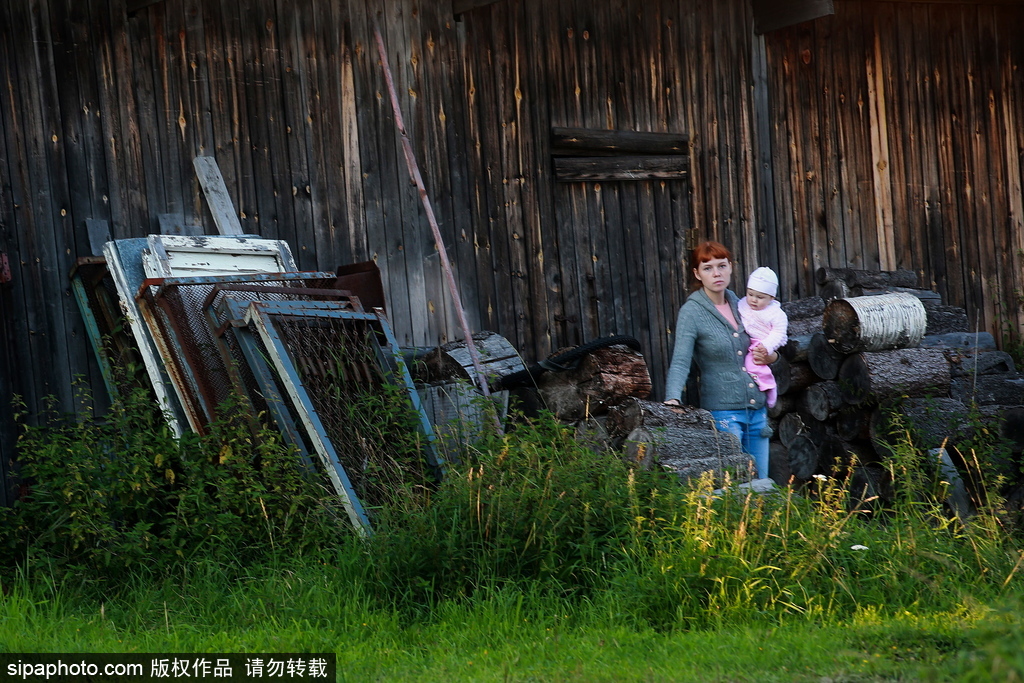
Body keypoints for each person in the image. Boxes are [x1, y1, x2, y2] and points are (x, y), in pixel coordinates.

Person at [663, 241, 777, 480]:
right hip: (724, 415)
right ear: (697, 273)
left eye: (721, 266)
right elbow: (681, 361)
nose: (716, 273)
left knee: (762, 485)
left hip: (758, 412)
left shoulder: (743, 304)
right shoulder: (692, 312)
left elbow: (767, 342)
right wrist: (672, 398)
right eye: (708, 268)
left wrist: (772, 356)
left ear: (731, 267)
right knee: (733, 487)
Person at [737, 267, 788, 409]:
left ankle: (769, 386)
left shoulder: (776, 314)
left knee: (753, 364)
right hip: (748, 340)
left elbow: (779, 333)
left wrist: (767, 345)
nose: (753, 300)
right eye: (750, 294)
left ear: (771, 298)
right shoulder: (742, 304)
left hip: (763, 342)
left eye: (760, 297)